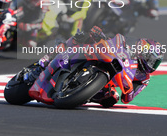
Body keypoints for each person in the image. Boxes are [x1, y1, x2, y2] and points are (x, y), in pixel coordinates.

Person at [25, 26, 164, 108]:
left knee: (112, 98)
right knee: (80, 37)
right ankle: (43, 63)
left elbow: (128, 98)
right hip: (101, 56)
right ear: (143, 51)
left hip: (106, 84)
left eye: (155, 63)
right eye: (151, 59)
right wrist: (99, 36)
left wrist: (128, 90)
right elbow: (113, 40)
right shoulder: (130, 47)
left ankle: (78, 93)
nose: (152, 64)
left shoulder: (144, 79)